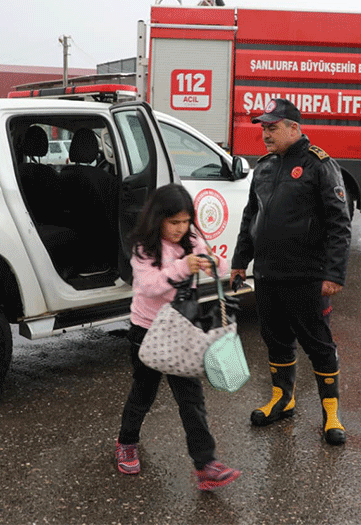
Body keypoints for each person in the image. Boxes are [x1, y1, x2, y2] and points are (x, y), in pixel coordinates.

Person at [230, 98, 352, 445]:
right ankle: (283, 398)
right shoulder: (265, 166)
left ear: (294, 128)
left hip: (306, 275)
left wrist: (334, 274)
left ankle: (331, 411)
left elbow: (339, 223)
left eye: (272, 127)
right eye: (263, 128)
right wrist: (241, 261)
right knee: (276, 339)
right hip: (268, 274)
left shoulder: (319, 164)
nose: (266, 134)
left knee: (318, 343)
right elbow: (250, 217)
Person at [115, 184, 241, 491]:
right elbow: (150, 286)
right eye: (174, 222)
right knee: (143, 393)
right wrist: (184, 267)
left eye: (186, 221)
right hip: (148, 331)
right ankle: (126, 442)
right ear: (158, 219)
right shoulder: (143, 249)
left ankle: (205, 465)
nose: (180, 228)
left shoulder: (193, 241)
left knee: (191, 400)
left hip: (183, 331)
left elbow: (219, 266)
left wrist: (212, 262)